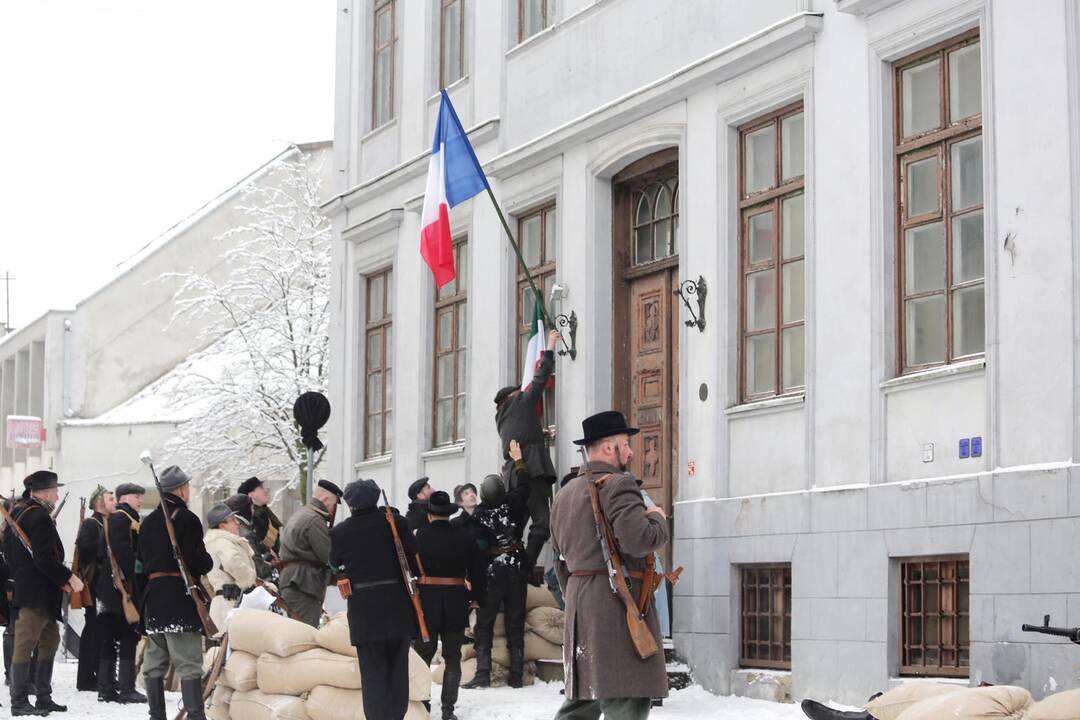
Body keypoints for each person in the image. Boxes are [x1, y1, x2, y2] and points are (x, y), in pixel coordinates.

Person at [550, 411, 669, 720]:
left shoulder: (563, 495)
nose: (630, 452)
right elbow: (639, 540)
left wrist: (578, 598)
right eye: (625, 444)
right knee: (626, 700)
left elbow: (559, 562)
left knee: (582, 702)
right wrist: (656, 516)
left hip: (580, 609)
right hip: (617, 610)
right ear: (608, 448)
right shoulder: (618, 485)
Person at [330, 479, 418, 720]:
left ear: (349, 504)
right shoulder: (397, 523)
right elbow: (413, 556)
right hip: (398, 605)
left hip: (364, 610)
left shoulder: (339, 533)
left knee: (372, 674)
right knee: (398, 671)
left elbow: (334, 564)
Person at [4, 470, 85, 716]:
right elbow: (43, 559)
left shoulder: (18, 513)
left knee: (50, 639)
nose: (57, 495)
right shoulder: (38, 517)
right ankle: (19, 702)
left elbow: (9, 553)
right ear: (45, 493)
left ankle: (43, 697)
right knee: (25, 643)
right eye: (54, 491)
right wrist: (69, 577)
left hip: (35, 588)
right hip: (36, 590)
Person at [137, 466, 214, 720]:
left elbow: (140, 566)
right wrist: (207, 563)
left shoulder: (147, 522)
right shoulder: (187, 519)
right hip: (179, 598)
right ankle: (195, 716)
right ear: (181, 489)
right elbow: (197, 561)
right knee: (189, 662)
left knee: (154, 662)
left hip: (153, 599)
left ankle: (156, 716)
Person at [464, 440, 531, 689]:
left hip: (491, 573)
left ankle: (483, 672)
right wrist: (519, 460)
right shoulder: (512, 504)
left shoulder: (478, 516)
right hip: (515, 567)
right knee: (515, 620)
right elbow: (525, 486)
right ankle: (516, 675)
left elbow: (475, 549)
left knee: (485, 623)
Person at [493, 329, 561, 570]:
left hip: (513, 474)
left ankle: (506, 564)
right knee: (542, 522)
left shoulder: (501, 417)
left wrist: (537, 434)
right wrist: (550, 344)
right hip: (531, 468)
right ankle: (525, 567)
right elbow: (540, 378)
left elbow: (520, 433)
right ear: (513, 396)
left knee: (516, 525)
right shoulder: (521, 401)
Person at [413, 491, 483, 720]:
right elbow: (477, 571)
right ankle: (448, 710)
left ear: (430, 514)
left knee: (423, 656)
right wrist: (477, 597)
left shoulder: (419, 536)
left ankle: (423, 705)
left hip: (427, 602)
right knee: (453, 656)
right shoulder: (465, 536)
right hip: (456, 600)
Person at [96, 482, 145, 704]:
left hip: (114, 587)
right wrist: (139, 573)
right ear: (124, 498)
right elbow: (123, 552)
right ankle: (124, 687)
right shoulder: (122, 519)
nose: (141, 501)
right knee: (126, 635)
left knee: (111, 637)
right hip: (121, 587)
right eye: (137, 496)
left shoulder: (119, 518)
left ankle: (107, 687)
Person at [279, 480, 342, 627]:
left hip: (295, 582)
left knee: (296, 632)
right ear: (325, 500)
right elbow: (328, 556)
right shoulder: (314, 520)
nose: (332, 511)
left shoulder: (302, 514)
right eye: (333, 505)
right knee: (304, 636)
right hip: (303, 585)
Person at [74, 485, 112, 692]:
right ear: (100, 502)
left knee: (99, 630)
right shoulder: (92, 523)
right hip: (95, 582)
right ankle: (87, 678)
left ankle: (96, 674)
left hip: (102, 582)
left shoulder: (102, 522)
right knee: (93, 630)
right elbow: (86, 549)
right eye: (109, 498)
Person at [203, 503, 258, 634]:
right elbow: (233, 563)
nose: (237, 523)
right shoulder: (222, 542)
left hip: (227, 603)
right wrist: (250, 581)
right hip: (230, 603)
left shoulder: (220, 541)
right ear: (222, 526)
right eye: (232, 520)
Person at [225, 494, 276, 583]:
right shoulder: (245, 533)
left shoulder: (229, 526)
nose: (253, 511)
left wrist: (267, 552)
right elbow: (258, 568)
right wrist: (273, 566)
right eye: (251, 508)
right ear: (245, 510)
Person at [237, 477, 282, 564]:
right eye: (261, 488)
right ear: (251, 495)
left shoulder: (265, 513)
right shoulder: (248, 518)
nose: (265, 491)